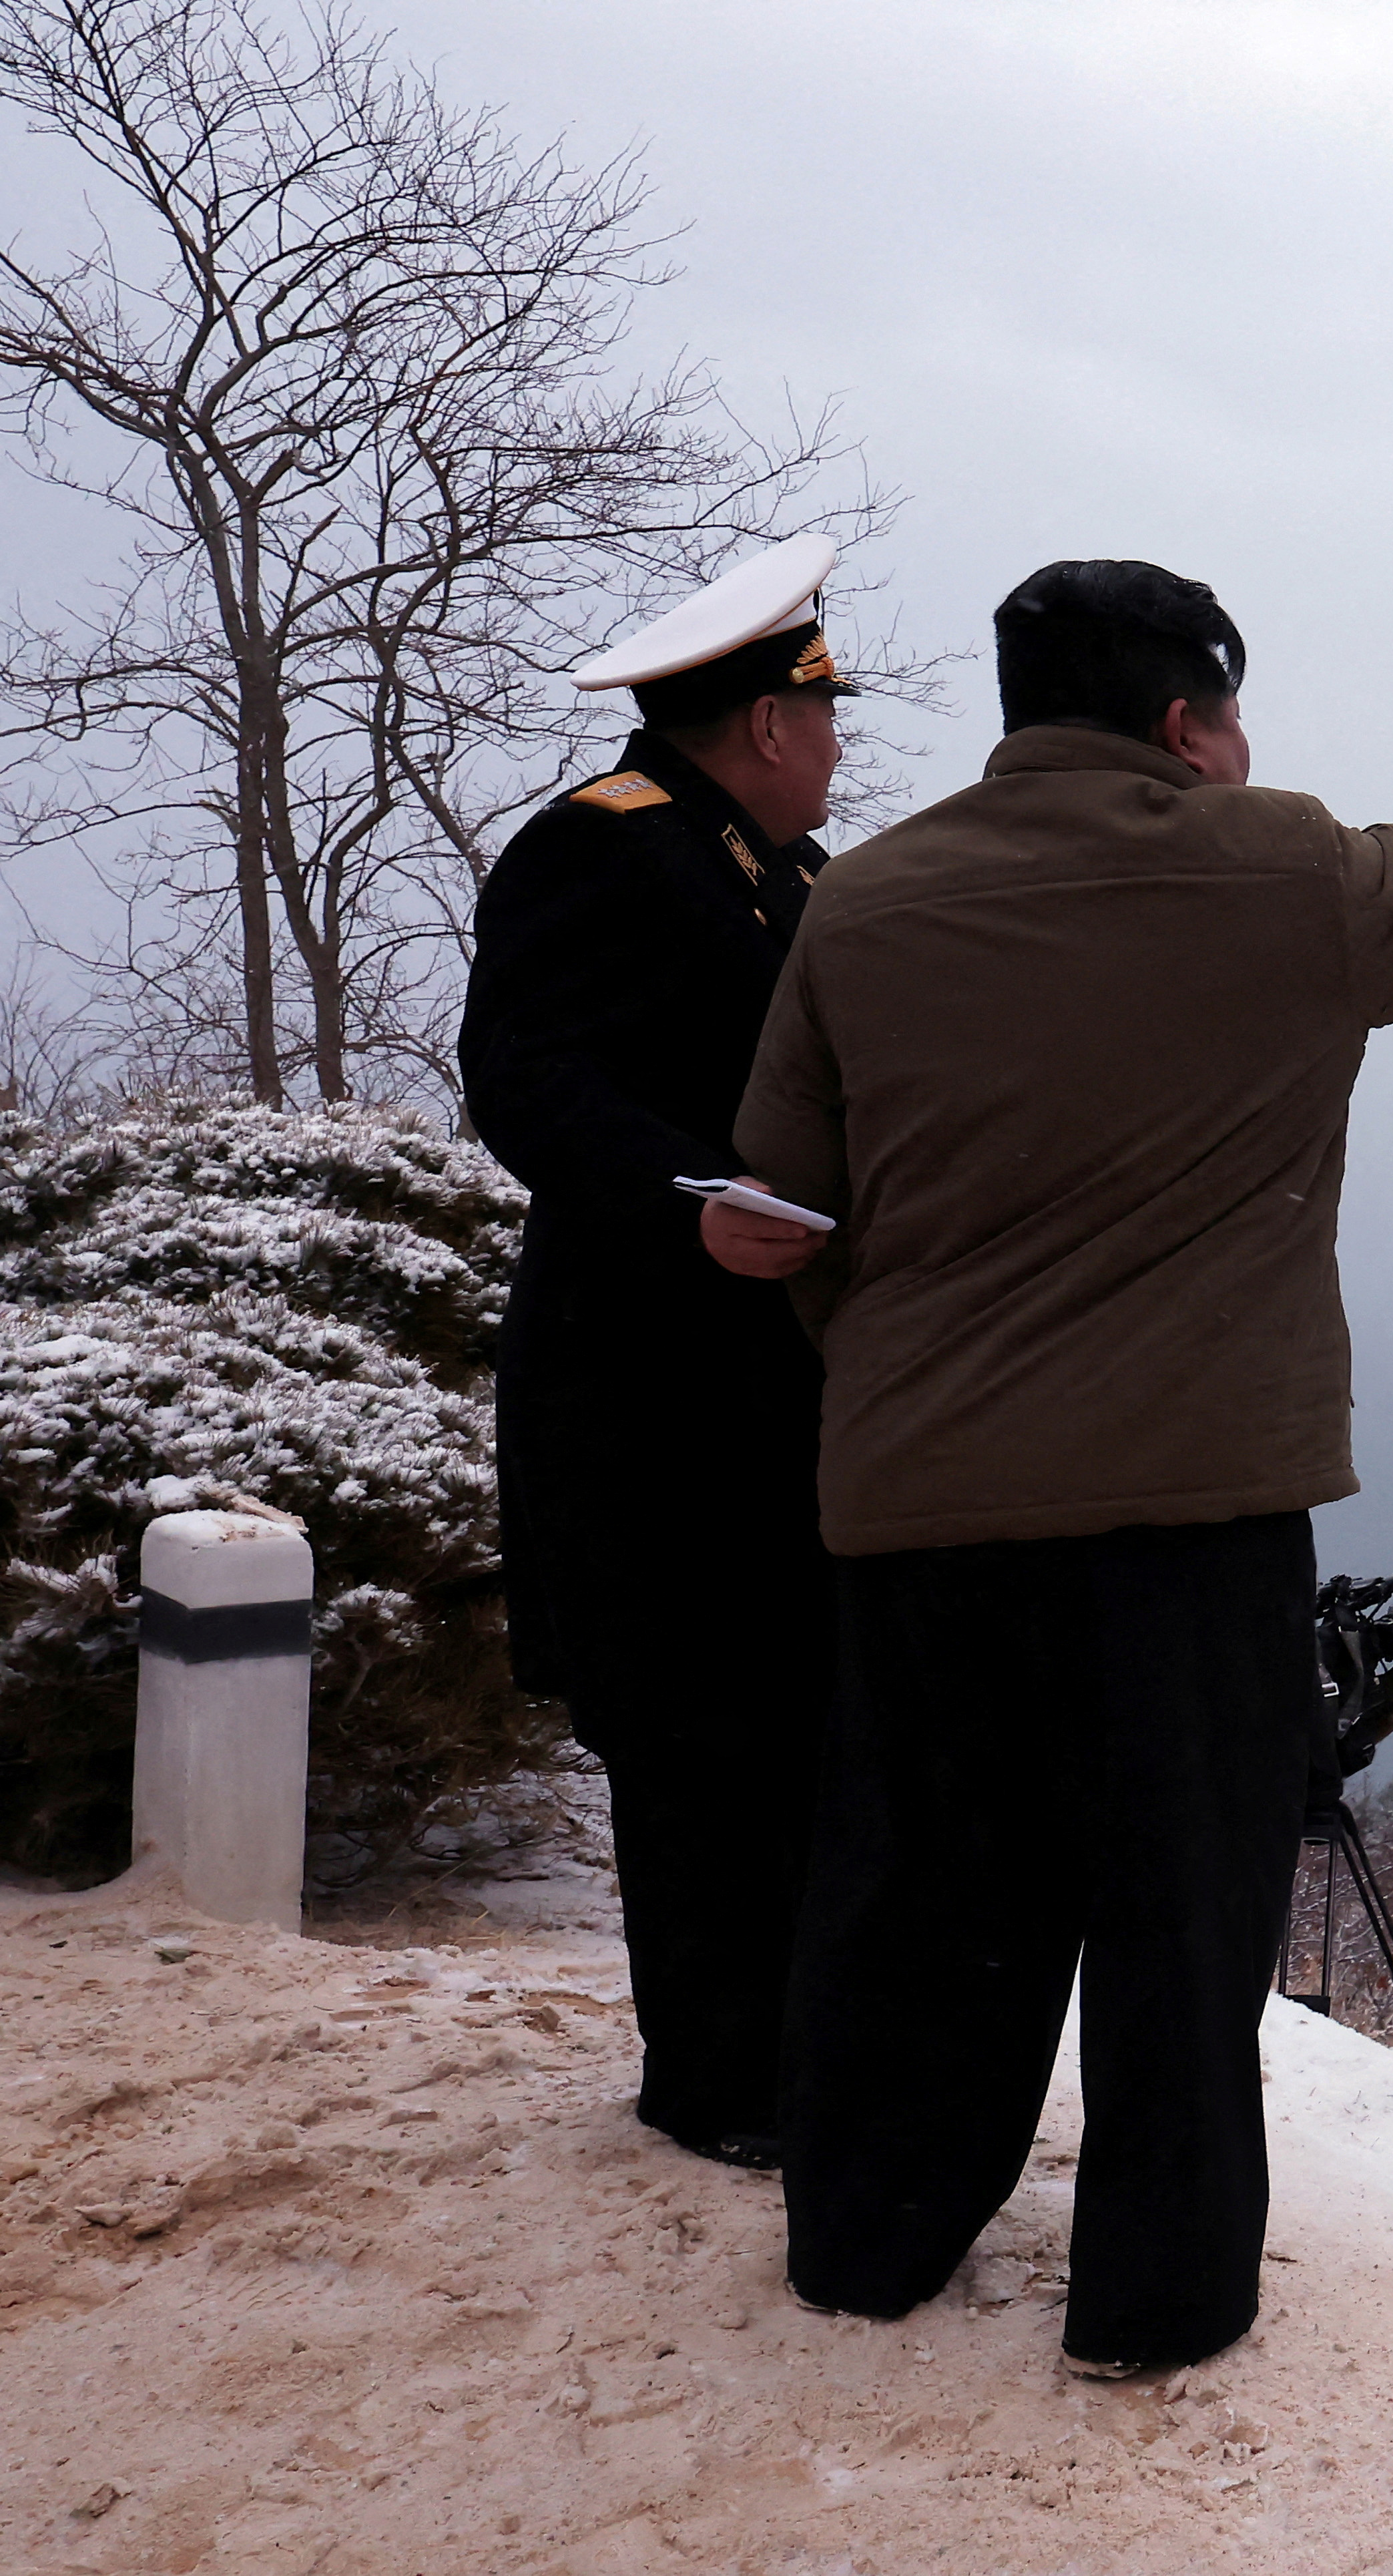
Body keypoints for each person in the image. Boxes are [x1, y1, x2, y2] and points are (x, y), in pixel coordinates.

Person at [727, 557, 1393, 2376]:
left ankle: (870, 2244)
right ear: (1188, 723)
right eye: (1233, 719)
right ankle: (1156, 2303)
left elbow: (786, 1206)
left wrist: (892, 1371)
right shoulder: (1285, 876)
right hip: (1193, 1517)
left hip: (925, 1507)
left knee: (930, 1890)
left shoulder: (861, 908)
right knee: (1179, 1911)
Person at [458, 533, 855, 2170]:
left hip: (788, 1383)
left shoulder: (802, 882)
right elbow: (523, 1082)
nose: (839, 750)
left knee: (799, 1718)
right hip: (638, 1382)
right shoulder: (596, 850)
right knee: (693, 1734)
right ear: (767, 724)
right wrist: (679, 1211)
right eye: (825, 718)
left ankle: (801, 2060)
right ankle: (716, 2087)